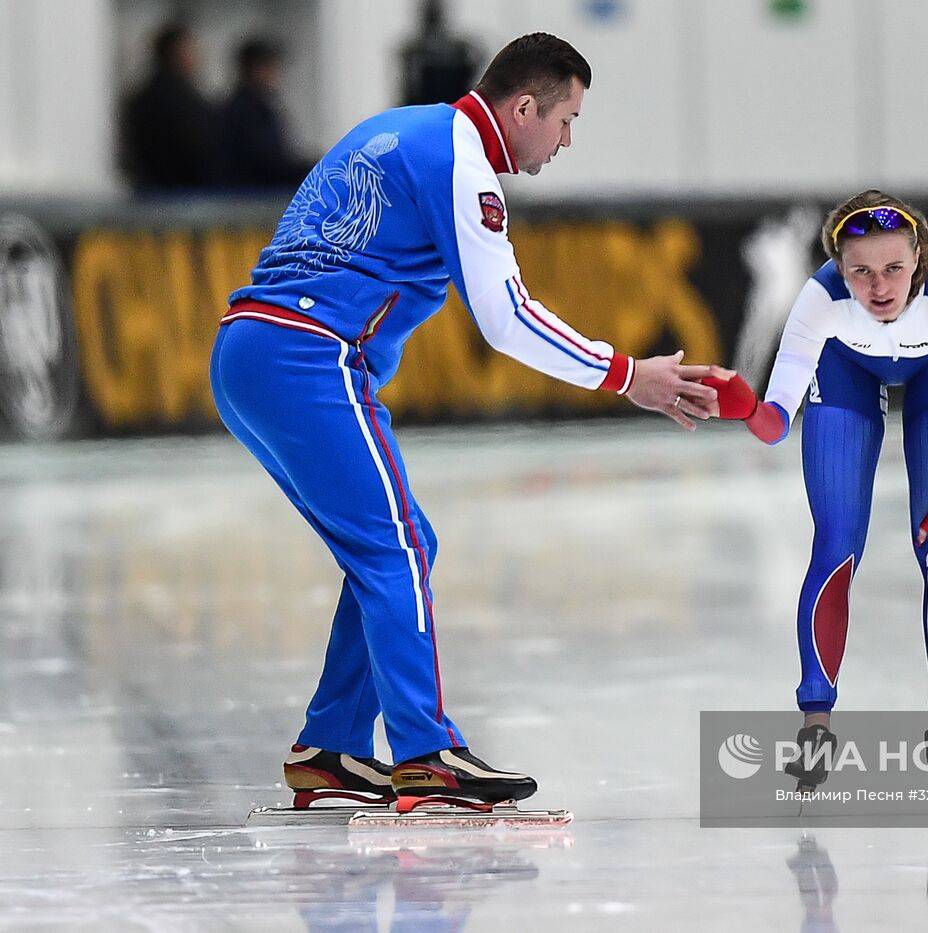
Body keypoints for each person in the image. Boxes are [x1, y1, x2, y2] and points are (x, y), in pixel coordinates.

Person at [210, 33, 722, 811]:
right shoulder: (463, 164)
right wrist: (629, 375)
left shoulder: (407, 128)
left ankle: (334, 746)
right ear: (523, 108)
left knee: (392, 545)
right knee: (399, 547)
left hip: (250, 351)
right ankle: (427, 752)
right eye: (566, 120)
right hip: (307, 354)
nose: (566, 140)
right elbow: (505, 317)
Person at [705, 190, 928, 790]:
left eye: (892, 269)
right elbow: (776, 422)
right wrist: (745, 408)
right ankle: (815, 728)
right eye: (860, 271)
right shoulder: (821, 299)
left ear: (919, 259)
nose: (878, 287)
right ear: (839, 266)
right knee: (834, 546)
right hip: (848, 373)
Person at [118, 22, 219, 192]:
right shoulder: (177, 100)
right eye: (191, 50)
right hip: (180, 195)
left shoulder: (142, 96)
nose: (197, 57)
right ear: (175, 53)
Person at [218, 38, 313, 190]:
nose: (277, 73)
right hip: (249, 201)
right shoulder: (244, 112)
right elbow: (269, 164)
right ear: (256, 69)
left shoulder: (260, 107)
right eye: (271, 66)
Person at [399, 0, 489, 106]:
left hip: (451, 104)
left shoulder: (461, 47)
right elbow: (409, 89)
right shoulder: (412, 50)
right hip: (428, 106)